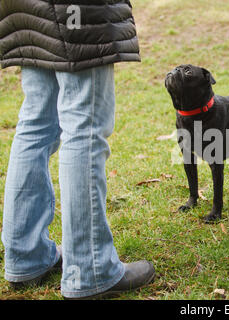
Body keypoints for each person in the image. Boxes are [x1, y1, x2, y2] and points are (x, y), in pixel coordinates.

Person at [0, 0, 155, 299]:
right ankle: (90, 269)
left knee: (37, 121)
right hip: (73, 10)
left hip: (24, 7)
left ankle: (25, 255)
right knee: (84, 124)